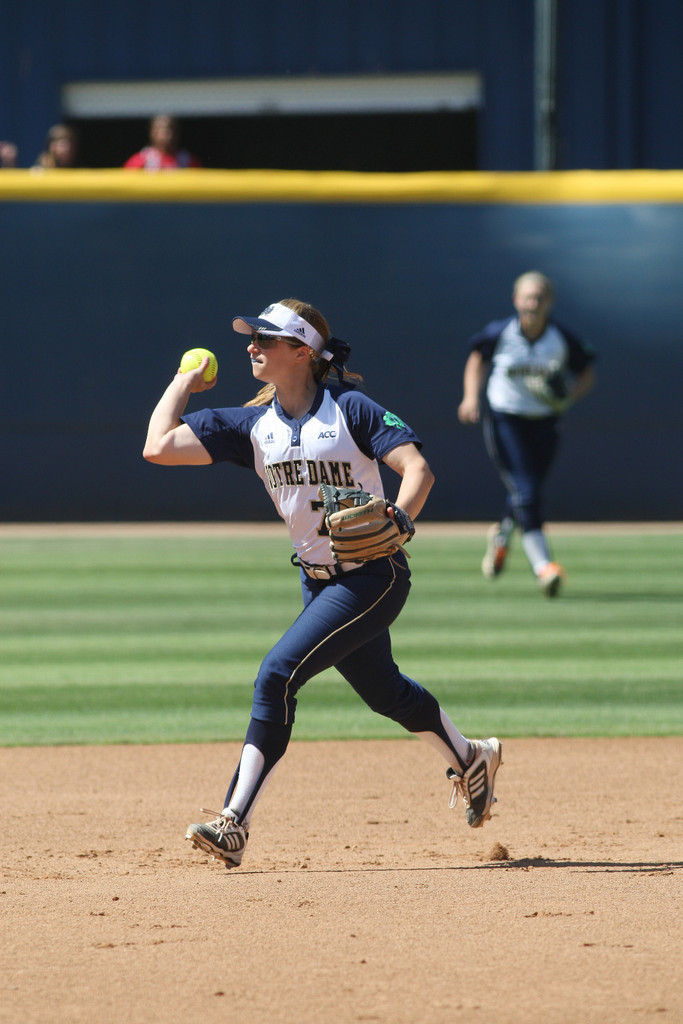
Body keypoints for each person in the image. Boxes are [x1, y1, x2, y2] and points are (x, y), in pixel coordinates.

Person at [143, 297, 502, 869]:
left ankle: (233, 821)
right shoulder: (251, 425)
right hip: (317, 582)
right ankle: (471, 756)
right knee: (385, 692)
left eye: (265, 339)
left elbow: (417, 470)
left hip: (374, 576)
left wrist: (401, 519)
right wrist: (184, 379)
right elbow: (157, 447)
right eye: (251, 338)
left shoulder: (351, 411)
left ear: (303, 352)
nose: (251, 347)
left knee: (276, 674)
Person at [458, 271, 596, 596]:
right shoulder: (501, 332)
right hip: (506, 419)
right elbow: (477, 358)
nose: (533, 303)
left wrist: (568, 396)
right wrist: (470, 396)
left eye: (539, 297)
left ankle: (502, 535)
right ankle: (544, 567)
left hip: (546, 421)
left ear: (549, 302)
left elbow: (587, 372)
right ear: (516, 299)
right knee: (528, 492)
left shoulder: (560, 337)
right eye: (527, 296)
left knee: (526, 492)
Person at [123, 114, 201, 170]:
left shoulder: (188, 161)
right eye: (162, 130)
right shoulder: (140, 160)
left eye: (171, 129)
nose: (168, 134)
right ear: (152, 132)